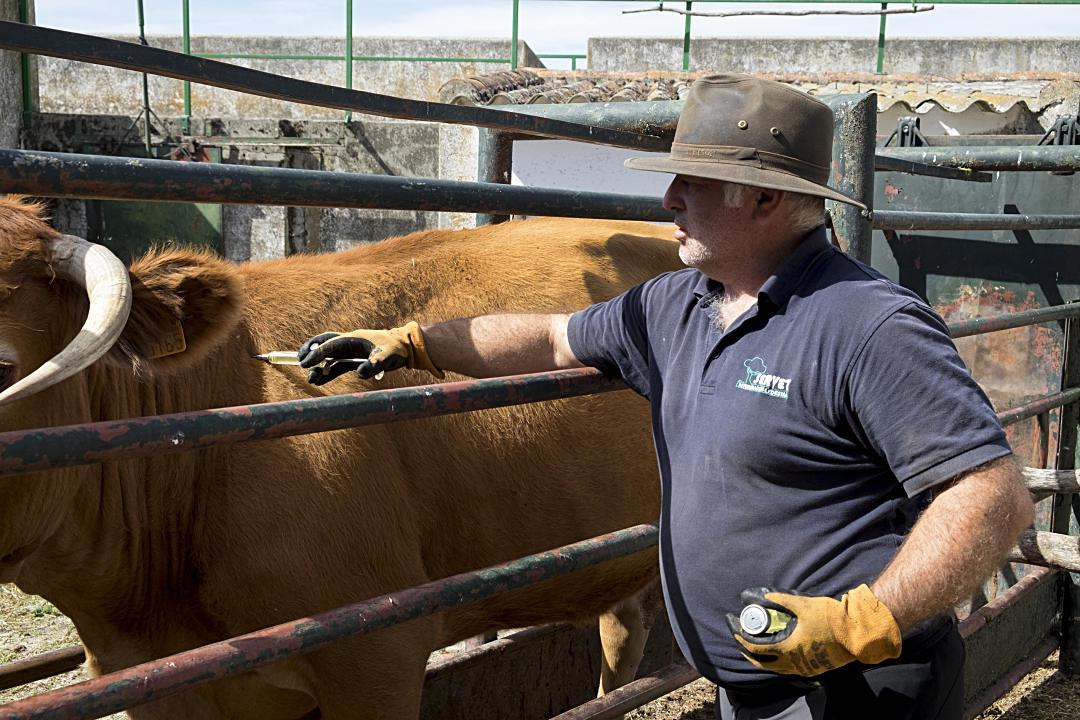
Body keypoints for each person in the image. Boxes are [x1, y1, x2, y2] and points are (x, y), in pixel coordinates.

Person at [297, 74, 1034, 720]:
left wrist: (862, 620)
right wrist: (421, 342)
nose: (669, 198)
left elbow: (991, 495)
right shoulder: (674, 305)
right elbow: (553, 338)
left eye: (695, 183)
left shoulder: (868, 324)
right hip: (750, 684)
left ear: (769, 197)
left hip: (862, 686)